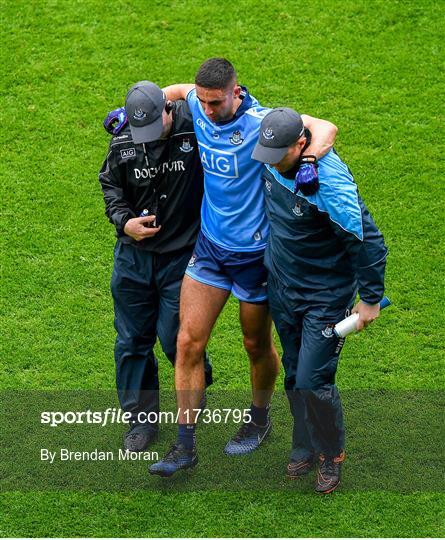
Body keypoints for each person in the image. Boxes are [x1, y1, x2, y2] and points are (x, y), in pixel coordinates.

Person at [143, 58, 339, 477]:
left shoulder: (260, 121)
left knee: (255, 344)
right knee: (187, 342)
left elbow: (325, 128)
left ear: (236, 92)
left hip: (256, 258)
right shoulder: (196, 102)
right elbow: (174, 92)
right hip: (211, 249)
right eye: (204, 102)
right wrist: (137, 108)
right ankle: (184, 446)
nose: (207, 110)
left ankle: (259, 417)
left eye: (216, 102)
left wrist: (310, 161)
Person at [251, 107, 388, 493]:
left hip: (324, 298)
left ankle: (331, 453)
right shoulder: (276, 148)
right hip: (282, 287)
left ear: (300, 145)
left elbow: (370, 243)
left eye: (278, 156)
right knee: (295, 374)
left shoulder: (330, 186)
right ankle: (304, 443)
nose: (271, 164)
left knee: (314, 379)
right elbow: (310, 120)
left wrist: (371, 300)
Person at [98, 81, 212, 452]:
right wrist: (124, 222)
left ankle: (196, 373)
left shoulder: (193, 122)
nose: (146, 139)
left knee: (173, 336)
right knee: (131, 341)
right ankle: (141, 421)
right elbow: (111, 185)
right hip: (133, 258)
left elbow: (222, 93)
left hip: (180, 256)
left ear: (168, 108)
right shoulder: (123, 139)